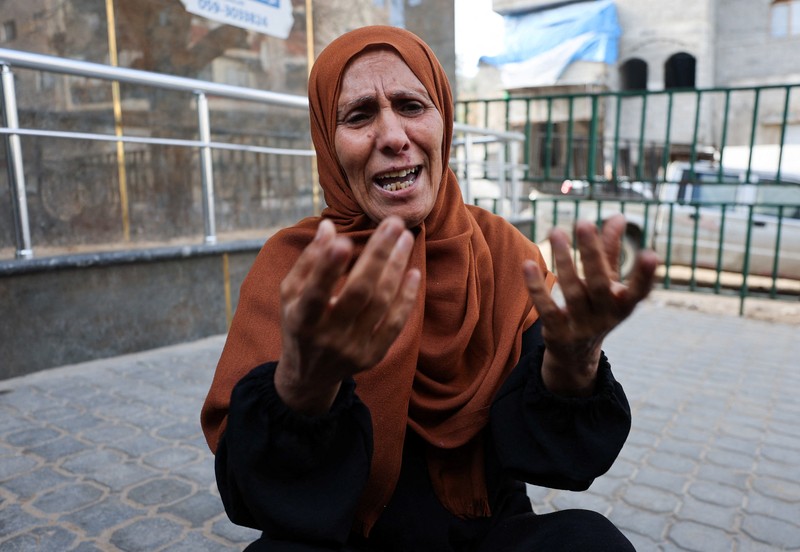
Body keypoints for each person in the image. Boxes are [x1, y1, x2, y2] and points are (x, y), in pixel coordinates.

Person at [201, 25, 658, 551]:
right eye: (359, 115)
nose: (393, 136)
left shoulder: (505, 255)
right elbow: (251, 494)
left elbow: (551, 461)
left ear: (444, 121)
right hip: (345, 536)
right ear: (328, 141)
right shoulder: (297, 266)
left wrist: (573, 364)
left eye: (411, 106)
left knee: (587, 541)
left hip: (485, 535)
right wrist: (307, 382)